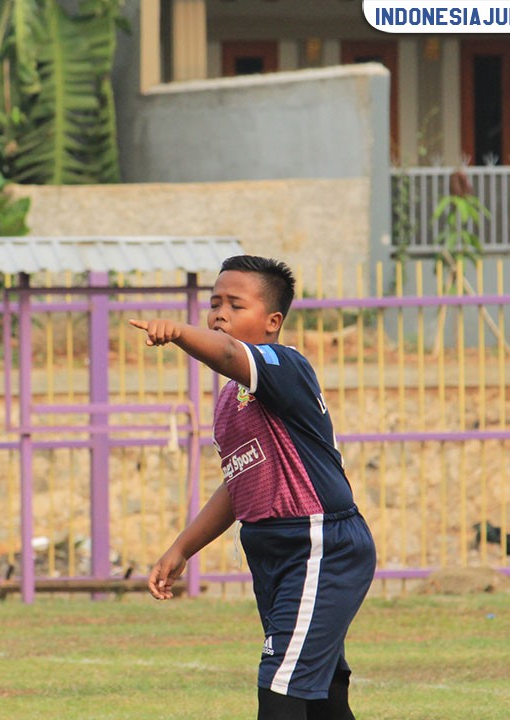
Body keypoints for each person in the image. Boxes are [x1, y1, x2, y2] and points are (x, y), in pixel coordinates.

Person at [129, 255, 376, 720]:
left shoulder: (283, 365)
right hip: (275, 549)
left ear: (271, 322)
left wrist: (179, 332)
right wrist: (181, 548)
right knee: (321, 697)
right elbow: (237, 483)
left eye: (235, 305)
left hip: (318, 544)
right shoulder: (231, 399)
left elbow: (223, 353)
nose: (219, 313)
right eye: (214, 303)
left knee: (279, 693)